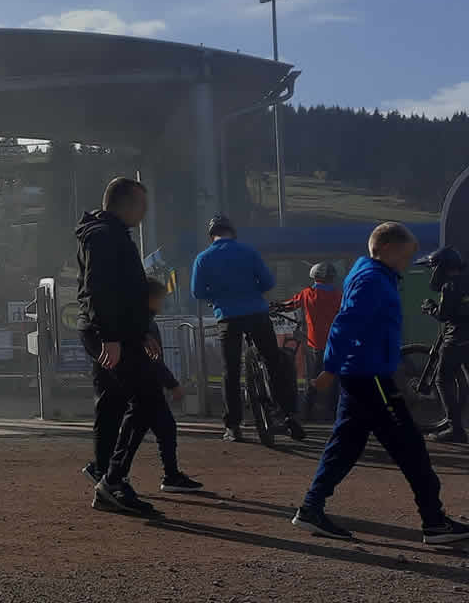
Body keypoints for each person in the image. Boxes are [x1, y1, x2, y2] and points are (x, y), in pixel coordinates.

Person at [291, 223, 469, 545]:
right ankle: (434, 521)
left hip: (363, 374)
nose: (407, 261)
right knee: (411, 448)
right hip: (369, 375)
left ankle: (310, 508)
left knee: (344, 447)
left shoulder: (372, 274)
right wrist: (329, 369)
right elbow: (345, 325)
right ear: (387, 249)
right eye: (405, 254)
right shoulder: (373, 280)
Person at [75, 177, 172, 515]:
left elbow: (124, 291)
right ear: (126, 203)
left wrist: (140, 329)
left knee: (113, 402)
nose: (144, 213)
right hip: (110, 334)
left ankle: (105, 472)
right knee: (147, 400)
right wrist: (111, 337)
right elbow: (97, 289)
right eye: (141, 205)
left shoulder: (107, 234)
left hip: (117, 332)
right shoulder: (104, 237)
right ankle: (112, 481)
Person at [82, 278, 205, 493]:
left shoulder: (137, 322)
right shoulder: (144, 324)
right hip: (146, 386)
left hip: (142, 385)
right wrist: (172, 384)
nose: (163, 303)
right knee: (144, 427)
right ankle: (114, 475)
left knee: (155, 428)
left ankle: (117, 472)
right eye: (160, 298)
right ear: (149, 298)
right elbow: (152, 360)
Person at [191, 214, 305, 442]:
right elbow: (268, 283)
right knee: (274, 361)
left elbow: (198, 292)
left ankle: (233, 426)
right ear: (233, 232)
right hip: (257, 314)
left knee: (230, 371)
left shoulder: (203, 258)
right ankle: (290, 415)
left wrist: (218, 297)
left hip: (228, 318)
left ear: (211, 235)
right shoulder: (248, 252)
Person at [415, 246, 469, 444]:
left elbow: (444, 315)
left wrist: (430, 308)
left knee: (442, 379)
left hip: (456, 339)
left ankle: (456, 429)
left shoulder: (450, 285)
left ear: (440, 268)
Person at [279, 262, 343, 421]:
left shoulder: (308, 293)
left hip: (317, 343)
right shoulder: (338, 295)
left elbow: (290, 305)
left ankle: (306, 411)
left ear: (315, 277)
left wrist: (276, 306)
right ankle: (334, 411)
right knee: (334, 377)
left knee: (315, 377)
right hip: (337, 342)